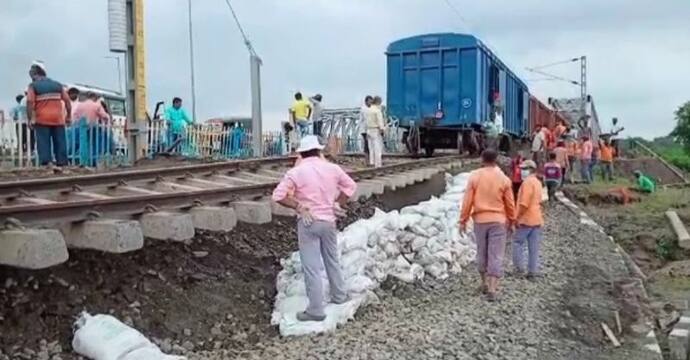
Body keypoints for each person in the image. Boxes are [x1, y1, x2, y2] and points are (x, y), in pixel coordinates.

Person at [272, 135, 357, 321]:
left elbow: (278, 195)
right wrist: (337, 204)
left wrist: (298, 206)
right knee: (332, 260)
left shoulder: (296, 172)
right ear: (319, 151)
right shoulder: (333, 169)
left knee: (312, 267)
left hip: (308, 221)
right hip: (328, 221)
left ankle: (316, 310)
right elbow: (351, 187)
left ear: (301, 153)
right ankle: (339, 296)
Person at [460, 149, 516, 302]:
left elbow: (467, 201)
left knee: (482, 251)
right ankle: (492, 289)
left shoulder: (475, 176)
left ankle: (484, 283)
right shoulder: (503, 179)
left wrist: (463, 220)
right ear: (496, 159)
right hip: (498, 221)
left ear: (482, 159)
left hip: (480, 220)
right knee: (496, 253)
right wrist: (512, 220)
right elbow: (510, 204)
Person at [26, 61, 71, 167]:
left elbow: (29, 102)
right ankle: (62, 162)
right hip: (58, 119)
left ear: (34, 74)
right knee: (60, 142)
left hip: (42, 119)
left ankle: (47, 163)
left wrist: (29, 119)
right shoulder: (58, 85)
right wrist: (68, 116)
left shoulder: (33, 86)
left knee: (43, 142)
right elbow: (67, 101)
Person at [512, 160, 544, 280]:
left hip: (526, 219)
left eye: (524, 169)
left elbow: (524, 204)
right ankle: (532, 271)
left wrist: (517, 217)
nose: (521, 171)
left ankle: (519, 269)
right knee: (533, 247)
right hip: (537, 218)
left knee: (517, 243)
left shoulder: (527, 183)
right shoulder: (537, 182)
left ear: (530, 169)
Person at [365, 96, 386, 168]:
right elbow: (380, 122)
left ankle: (372, 162)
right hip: (375, 130)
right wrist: (382, 129)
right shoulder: (377, 111)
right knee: (377, 148)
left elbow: (365, 121)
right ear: (378, 102)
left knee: (371, 148)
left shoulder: (368, 110)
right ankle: (378, 164)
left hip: (368, 130)